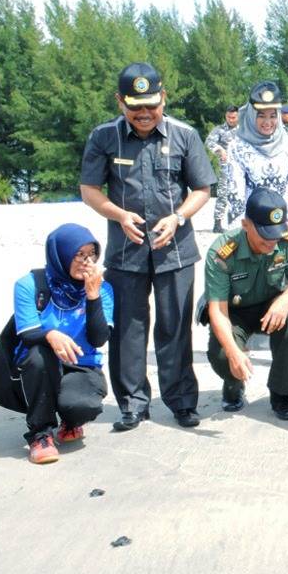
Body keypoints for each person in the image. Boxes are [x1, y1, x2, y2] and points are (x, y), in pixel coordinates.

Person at [80, 62, 215, 431]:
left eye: (151, 105)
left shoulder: (185, 135)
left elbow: (202, 189)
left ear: (163, 98)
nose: (143, 113)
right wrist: (119, 214)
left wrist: (179, 217)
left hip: (176, 250)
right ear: (120, 102)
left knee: (175, 329)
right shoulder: (104, 136)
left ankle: (182, 401)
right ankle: (133, 404)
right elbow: (89, 189)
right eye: (135, 106)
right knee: (128, 329)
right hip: (126, 251)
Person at [0, 225, 113, 464]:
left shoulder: (102, 288)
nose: (87, 262)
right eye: (79, 254)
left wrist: (92, 296)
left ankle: (70, 420)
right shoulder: (30, 285)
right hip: (37, 367)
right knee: (38, 354)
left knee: (82, 406)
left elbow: (98, 339)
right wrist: (50, 335)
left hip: (80, 363)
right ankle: (40, 434)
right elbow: (27, 334)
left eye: (92, 254)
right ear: (61, 254)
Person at [202, 188, 288, 420]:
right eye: (264, 236)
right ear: (245, 225)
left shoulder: (287, 241)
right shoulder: (222, 252)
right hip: (233, 313)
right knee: (223, 356)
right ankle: (233, 385)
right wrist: (234, 353)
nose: (272, 242)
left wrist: (283, 301)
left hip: (270, 306)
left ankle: (281, 394)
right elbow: (217, 310)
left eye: (276, 235)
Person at [220, 81, 288, 254]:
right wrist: (236, 236)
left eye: (273, 115)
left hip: (287, 227)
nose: (268, 122)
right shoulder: (237, 147)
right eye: (261, 116)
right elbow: (235, 196)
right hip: (254, 231)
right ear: (251, 115)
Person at [205, 104, 240, 233]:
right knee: (223, 194)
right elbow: (209, 142)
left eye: (233, 117)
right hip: (226, 167)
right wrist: (219, 149)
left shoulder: (244, 130)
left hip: (241, 167)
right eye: (228, 117)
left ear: (238, 116)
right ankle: (217, 223)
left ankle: (240, 222)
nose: (231, 120)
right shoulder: (219, 130)